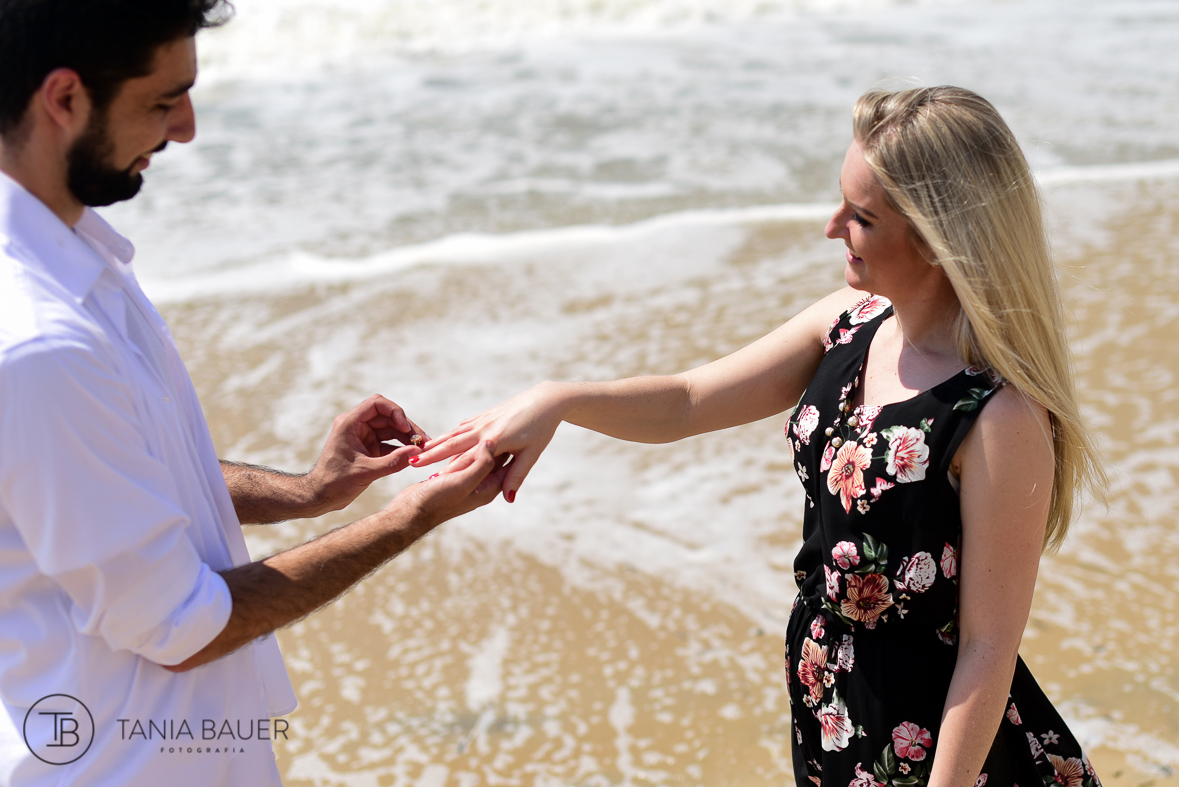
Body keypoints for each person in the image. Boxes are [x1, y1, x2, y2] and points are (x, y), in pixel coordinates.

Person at [414, 86, 1106, 787]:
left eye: (860, 216)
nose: (832, 226)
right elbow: (686, 401)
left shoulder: (997, 414)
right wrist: (556, 400)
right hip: (831, 695)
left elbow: (988, 646)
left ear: (934, 238)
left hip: (939, 740)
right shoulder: (847, 324)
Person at [0, 2, 507, 784]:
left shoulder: (73, 258)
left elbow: (119, 477)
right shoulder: (39, 339)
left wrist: (307, 491)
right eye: (164, 99)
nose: (186, 128)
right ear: (64, 100)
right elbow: (181, 627)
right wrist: (416, 515)